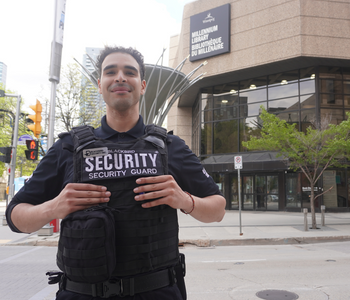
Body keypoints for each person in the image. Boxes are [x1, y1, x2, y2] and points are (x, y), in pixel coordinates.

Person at [6, 46, 226, 300]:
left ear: (142, 85)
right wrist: (53, 208)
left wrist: (185, 200)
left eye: (129, 72)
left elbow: (218, 208)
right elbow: (15, 217)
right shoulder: (68, 147)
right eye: (111, 72)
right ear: (100, 84)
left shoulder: (170, 147)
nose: (120, 77)